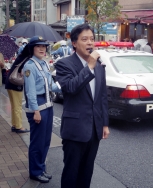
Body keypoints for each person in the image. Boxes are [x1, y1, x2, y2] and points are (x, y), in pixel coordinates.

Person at [55, 24, 110, 188]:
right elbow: (71, 88)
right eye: (84, 39)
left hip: (94, 129)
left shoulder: (100, 66)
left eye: (92, 39)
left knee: (87, 172)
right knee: (71, 174)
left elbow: (102, 97)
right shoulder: (64, 64)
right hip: (74, 130)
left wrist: (105, 123)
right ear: (74, 43)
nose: (89, 43)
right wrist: (89, 66)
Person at [23, 36, 61, 183]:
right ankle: (35, 172)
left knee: (46, 140)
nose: (42, 49)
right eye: (38, 46)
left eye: (44, 46)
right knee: (37, 141)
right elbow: (30, 92)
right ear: (32, 48)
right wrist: (35, 111)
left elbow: (51, 85)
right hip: (38, 106)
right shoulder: (29, 66)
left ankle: (41, 167)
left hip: (48, 104)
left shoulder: (44, 64)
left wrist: (65, 86)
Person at [5, 46, 30, 133]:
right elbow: (23, 73)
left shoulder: (21, 56)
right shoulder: (27, 59)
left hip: (10, 82)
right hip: (15, 84)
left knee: (14, 106)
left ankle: (15, 124)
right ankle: (18, 127)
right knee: (18, 106)